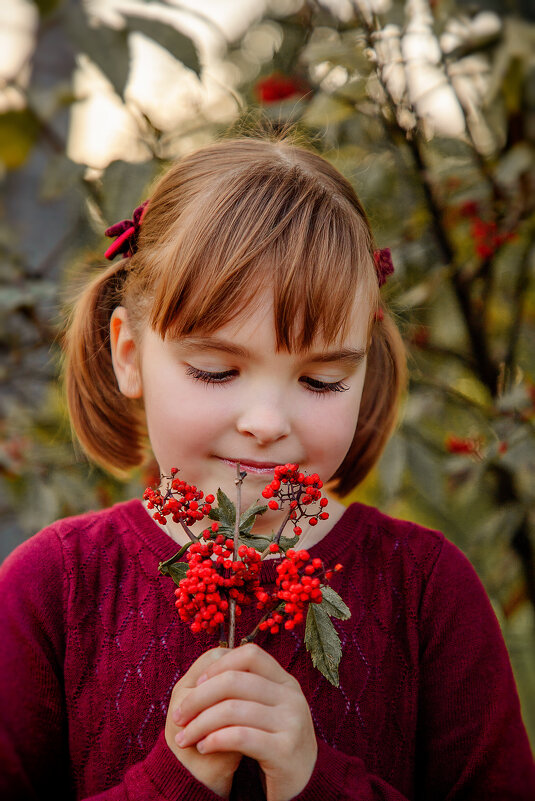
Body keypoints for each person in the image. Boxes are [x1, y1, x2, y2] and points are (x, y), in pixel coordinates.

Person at [0, 132, 533, 801]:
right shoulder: (54, 589)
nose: (266, 420)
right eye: (216, 369)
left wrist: (317, 784)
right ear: (130, 355)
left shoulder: (427, 592)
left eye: (319, 380)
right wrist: (173, 785)